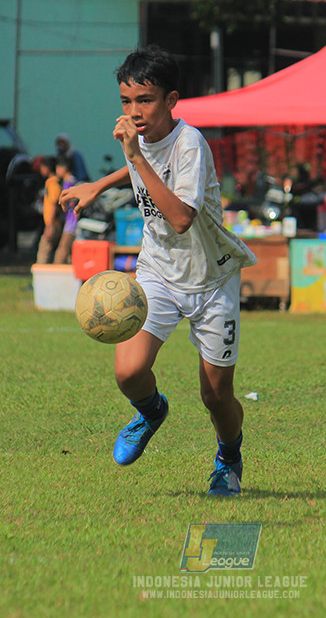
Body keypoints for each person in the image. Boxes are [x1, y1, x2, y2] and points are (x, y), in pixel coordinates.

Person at [59, 46, 257, 496]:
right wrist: (98, 184)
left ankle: (229, 457)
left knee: (216, 395)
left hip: (212, 280)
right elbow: (138, 165)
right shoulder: (140, 141)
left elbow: (181, 217)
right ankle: (151, 411)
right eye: (126, 101)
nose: (134, 112)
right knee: (128, 372)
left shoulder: (191, 144)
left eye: (145, 100)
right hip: (159, 274)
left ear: (171, 100)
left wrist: (135, 156)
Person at [35, 156, 63, 265]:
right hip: (53, 224)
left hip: (53, 224)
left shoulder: (53, 185)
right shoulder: (51, 184)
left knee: (44, 250)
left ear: (46, 168)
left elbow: (53, 205)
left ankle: (40, 278)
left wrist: (49, 225)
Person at [51, 156, 78, 265]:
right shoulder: (74, 181)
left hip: (71, 223)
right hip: (72, 222)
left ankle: (55, 273)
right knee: (70, 251)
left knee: (62, 250)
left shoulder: (68, 183)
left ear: (64, 168)